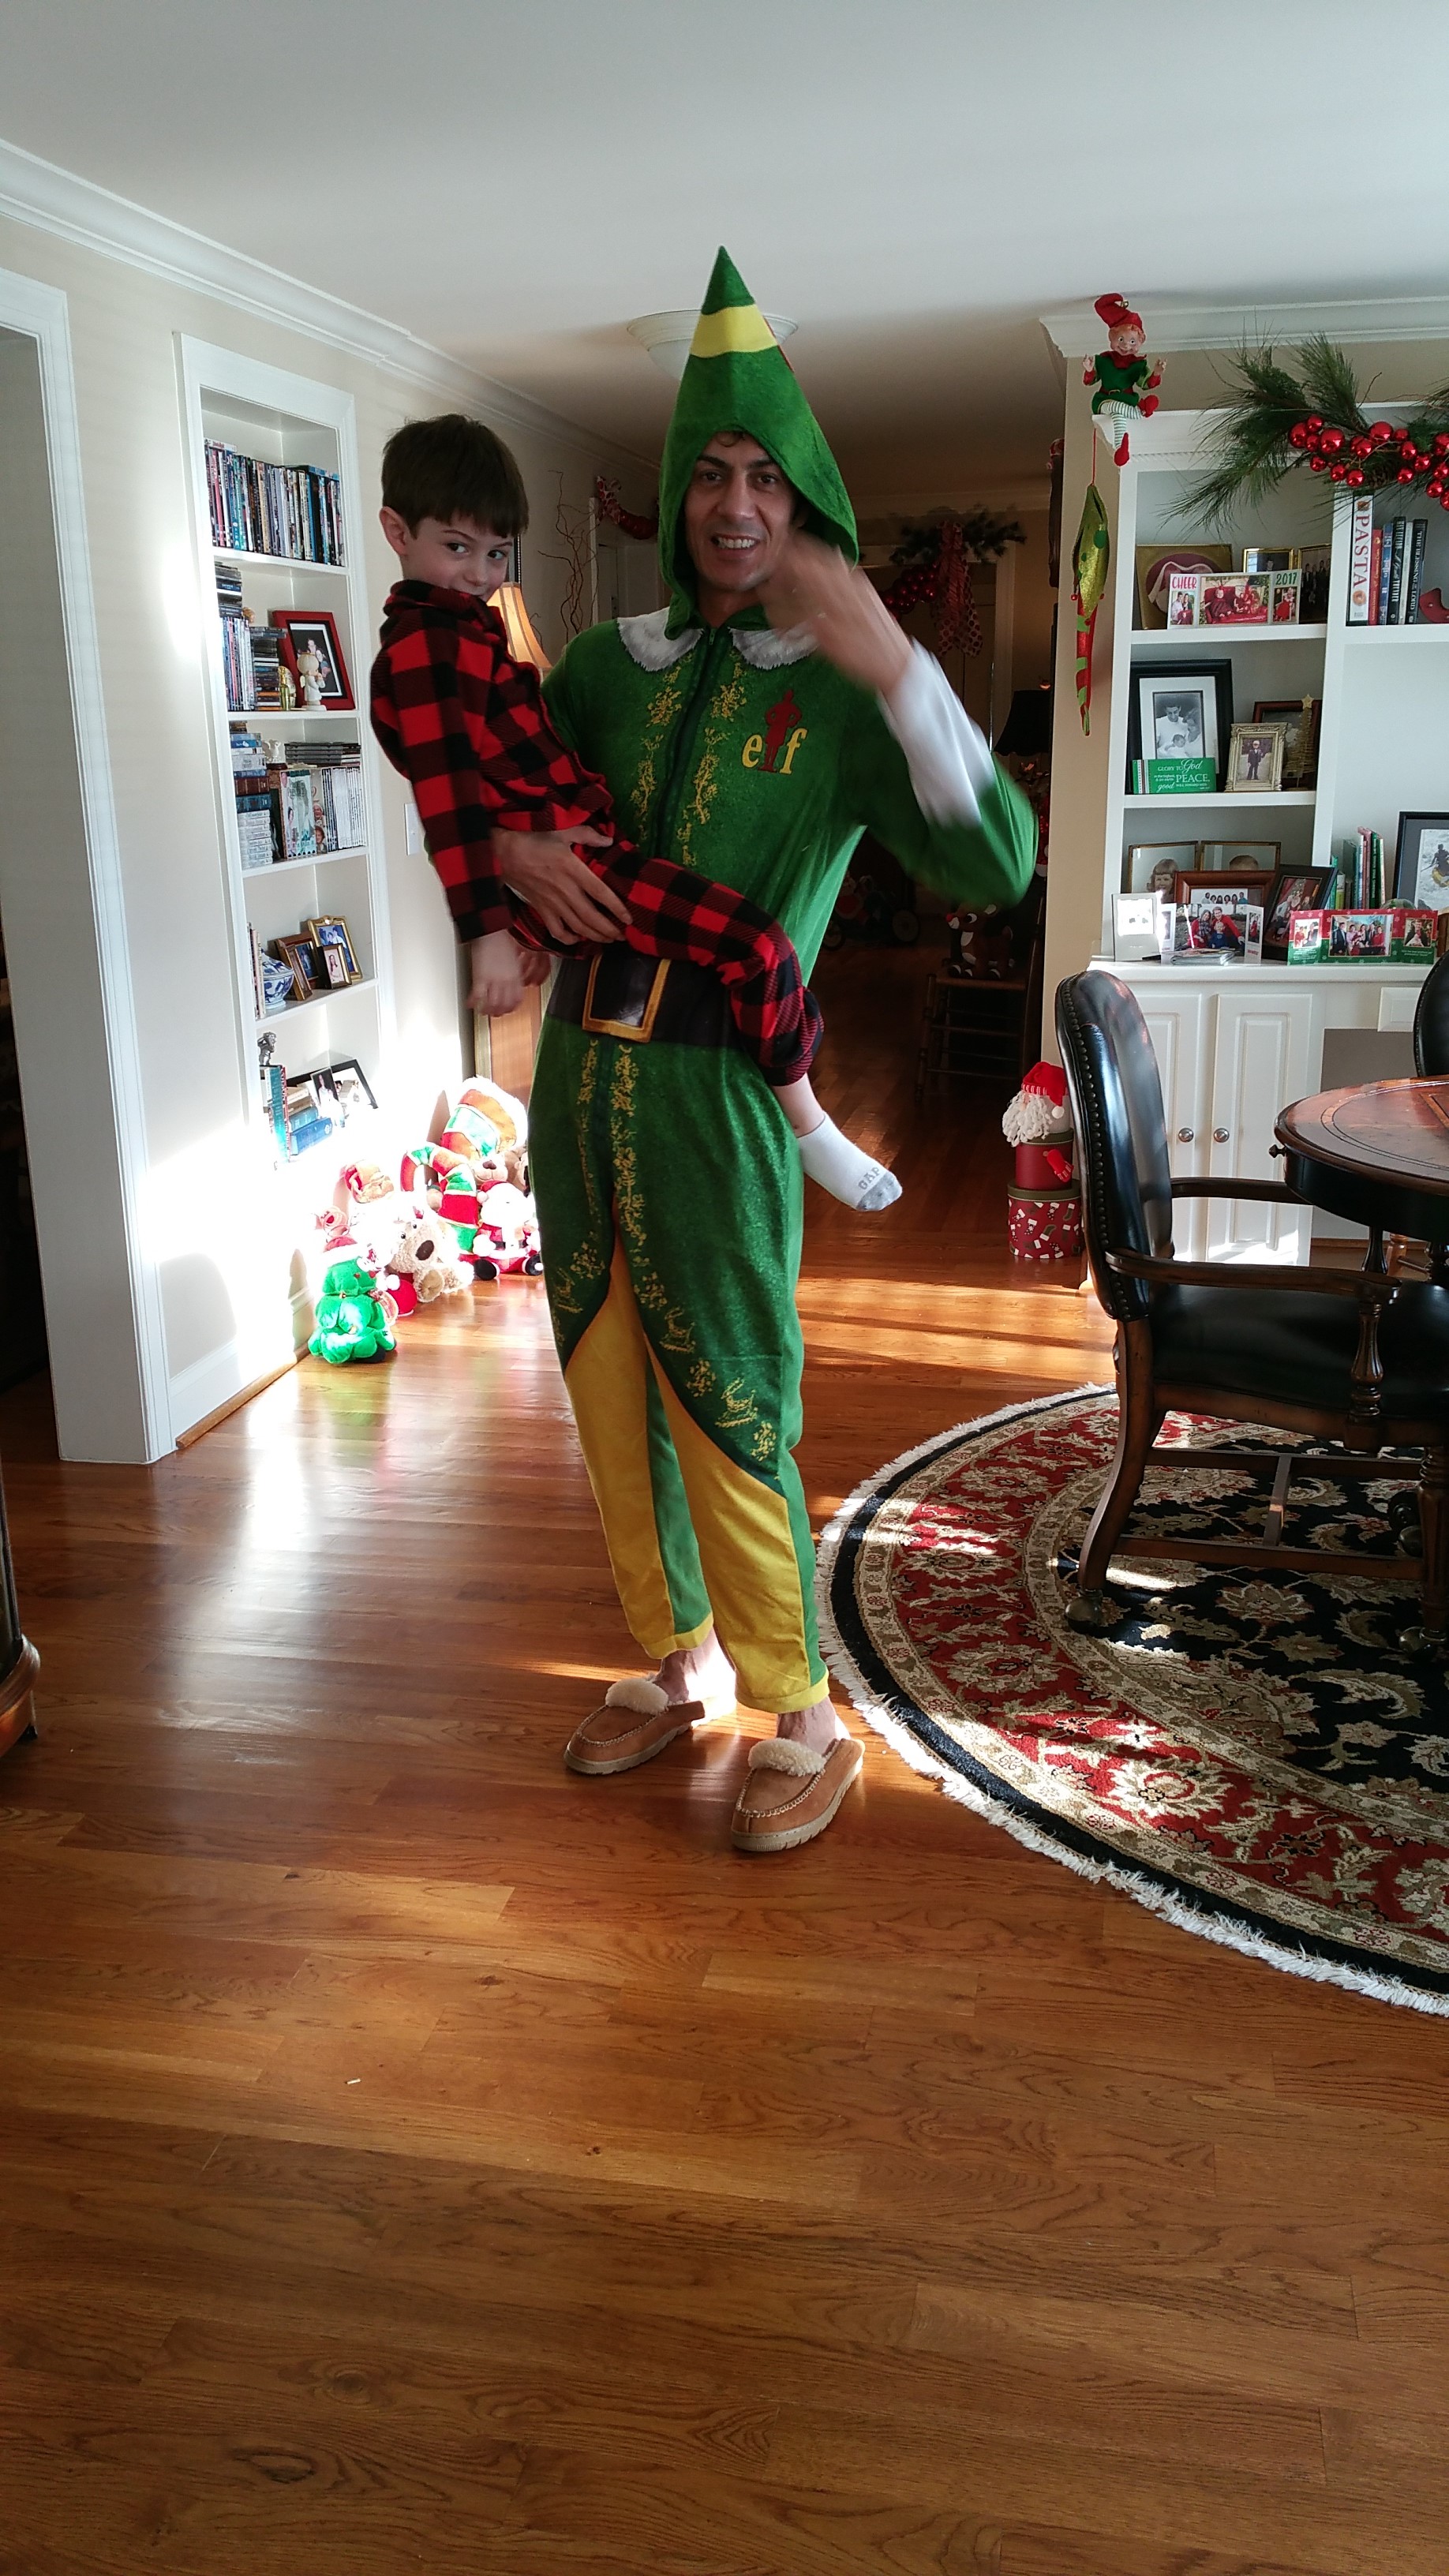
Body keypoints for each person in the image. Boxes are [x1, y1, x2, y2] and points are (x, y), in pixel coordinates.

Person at [498, 249, 1036, 1852]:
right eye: (710, 474)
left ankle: (802, 1710)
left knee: (730, 1400)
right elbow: (509, 809)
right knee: (606, 1387)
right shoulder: (601, 670)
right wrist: (509, 854)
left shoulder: (854, 696)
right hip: (573, 1085)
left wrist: (902, 672)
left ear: (804, 501)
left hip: (722, 1095)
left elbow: (997, 863)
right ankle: (676, 1661)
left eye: (765, 478)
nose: (737, 506)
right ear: (677, 492)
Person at [370, 414, 899, 1214]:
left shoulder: (462, 632)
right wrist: (490, 933)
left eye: (497, 553)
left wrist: (525, 920)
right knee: (755, 945)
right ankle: (810, 1125)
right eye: (456, 547)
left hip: (580, 861)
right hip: (588, 869)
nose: (479, 573)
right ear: (397, 532)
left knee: (737, 955)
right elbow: (445, 798)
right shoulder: (427, 650)